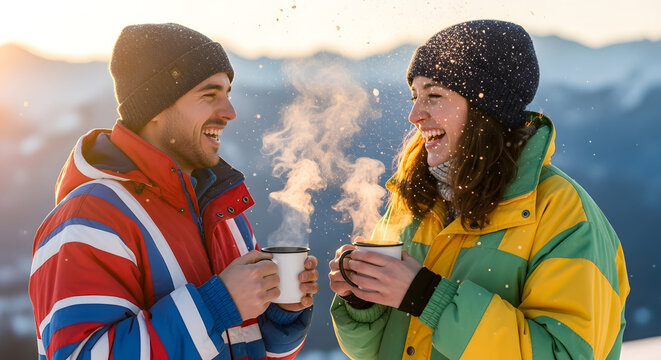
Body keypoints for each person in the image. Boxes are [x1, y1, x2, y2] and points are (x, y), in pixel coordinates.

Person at [329, 20, 629, 360]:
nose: (415, 115)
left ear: (486, 107)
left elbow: (565, 355)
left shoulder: (563, 215)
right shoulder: (415, 201)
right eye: (415, 96)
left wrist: (426, 296)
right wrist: (362, 301)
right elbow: (377, 350)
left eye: (434, 96)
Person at [29, 23, 318, 360]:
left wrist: (280, 314)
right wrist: (218, 303)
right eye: (209, 95)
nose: (229, 112)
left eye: (227, 94)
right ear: (156, 108)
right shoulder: (89, 218)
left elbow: (242, 345)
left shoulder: (222, 211)